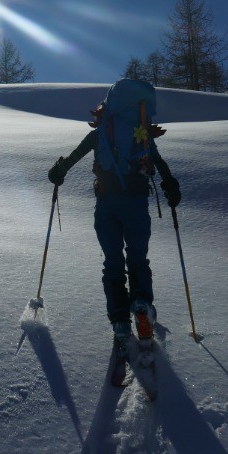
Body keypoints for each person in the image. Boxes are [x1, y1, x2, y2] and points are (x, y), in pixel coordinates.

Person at [46, 86, 181, 347]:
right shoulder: (141, 135)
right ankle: (141, 305)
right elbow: (161, 166)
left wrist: (57, 172)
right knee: (138, 258)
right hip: (137, 205)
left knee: (113, 262)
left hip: (107, 205)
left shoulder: (98, 135)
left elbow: (71, 160)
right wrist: (171, 187)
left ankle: (120, 321)